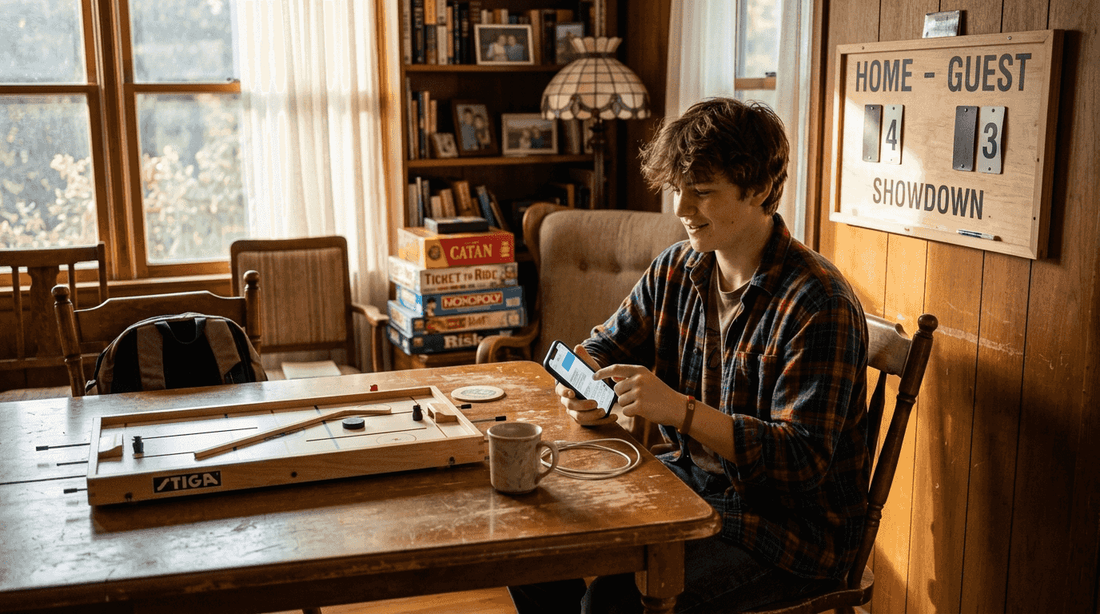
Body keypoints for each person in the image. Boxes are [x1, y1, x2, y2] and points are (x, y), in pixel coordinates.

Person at [508, 97, 871, 613]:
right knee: (532, 546)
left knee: (611, 605)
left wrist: (680, 410)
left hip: (788, 531)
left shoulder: (818, 302)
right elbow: (602, 344)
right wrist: (583, 383)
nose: (680, 211)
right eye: (679, 190)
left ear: (761, 188)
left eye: (701, 192)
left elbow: (801, 459)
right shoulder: (679, 267)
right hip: (691, 487)